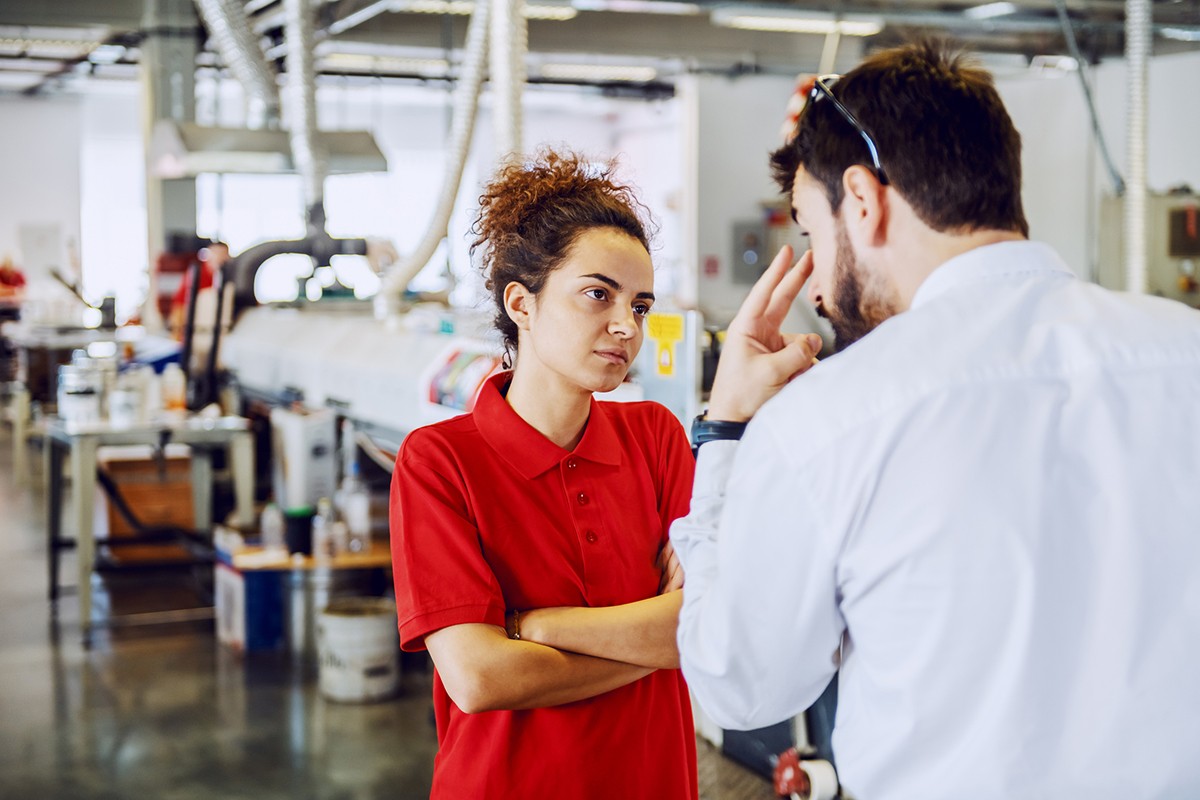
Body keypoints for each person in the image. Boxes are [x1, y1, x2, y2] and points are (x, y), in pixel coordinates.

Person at [672, 41, 1200, 800]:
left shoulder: (831, 421)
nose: (815, 284)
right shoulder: (1185, 351)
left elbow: (741, 682)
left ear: (863, 200)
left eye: (812, 234)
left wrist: (724, 434)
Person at [389, 150, 698, 799]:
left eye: (639, 306)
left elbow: (706, 630)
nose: (625, 326)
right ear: (521, 304)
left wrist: (536, 627)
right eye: (597, 294)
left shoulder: (657, 440)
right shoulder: (441, 463)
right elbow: (480, 678)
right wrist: (654, 637)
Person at [168, 240, 229, 336]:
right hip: (184, 309)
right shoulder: (198, 272)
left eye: (224, 254)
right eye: (217, 253)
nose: (221, 257)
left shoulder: (222, 274)